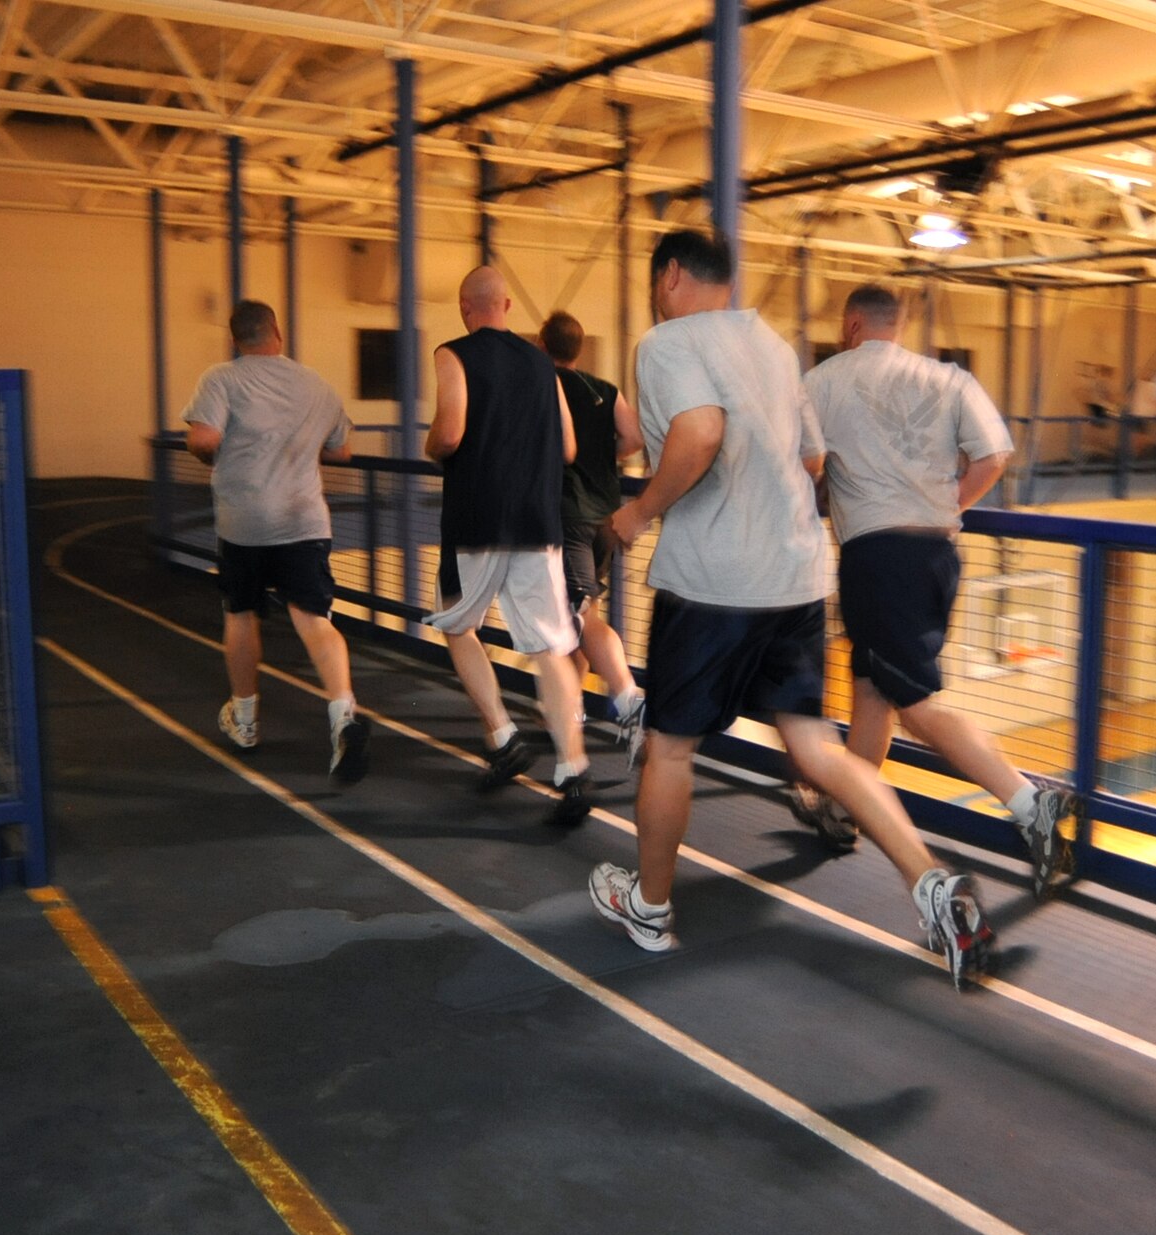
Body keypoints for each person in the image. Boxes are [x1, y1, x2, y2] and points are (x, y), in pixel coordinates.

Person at [589, 230, 993, 986]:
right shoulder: (774, 348)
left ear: (670, 276)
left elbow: (699, 432)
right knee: (816, 746)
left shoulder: (668, 341)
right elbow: (812, 458)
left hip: (712, 581)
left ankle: (649, 907)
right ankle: (931, 883)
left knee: (671, 747)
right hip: (798, 576)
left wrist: (639, 512)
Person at [801, 283, 1080, 898]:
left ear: (851, 325)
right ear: (898, 325)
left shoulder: (822, 381)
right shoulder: (948, 377)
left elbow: (807, 466)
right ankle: (846, 810)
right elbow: (994, 454)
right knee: (873, 692)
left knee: (916, 705)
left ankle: (1029, 802)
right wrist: (944, 505)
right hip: (936, 555)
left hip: (877, 559)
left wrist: (832, 494)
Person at [424, 266, 591, 826]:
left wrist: (431, 446)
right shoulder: (543, 363)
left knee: (456, 624)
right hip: (537, 520)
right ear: (507, 307)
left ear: (465, 308)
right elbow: (568, 448)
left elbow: (450, 433)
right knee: (549, 648)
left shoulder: (453, 354)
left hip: (477, 517)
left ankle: (501, 736)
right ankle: (573, 768)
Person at [182, 299, 370, 784]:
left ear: (234, 339)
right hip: (304, 521)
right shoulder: (316, 384)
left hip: (244, 524)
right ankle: (343, 714)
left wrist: (215, 455)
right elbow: (342, 451)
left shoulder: (221, 378)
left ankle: (245, 721)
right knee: (314, 619)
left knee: (242, 615)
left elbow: (203, 441)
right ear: (277, 332)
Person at [537, 310, 647, 757]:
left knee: (581, 617)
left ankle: (628, 698)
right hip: (604, 516)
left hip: (567, 515)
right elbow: (634, 437)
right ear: (578, 348)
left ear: (542, 345)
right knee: (580, 615)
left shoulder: (542, 386)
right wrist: (602, 454)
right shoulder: (604, 389)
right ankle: (570, 712)